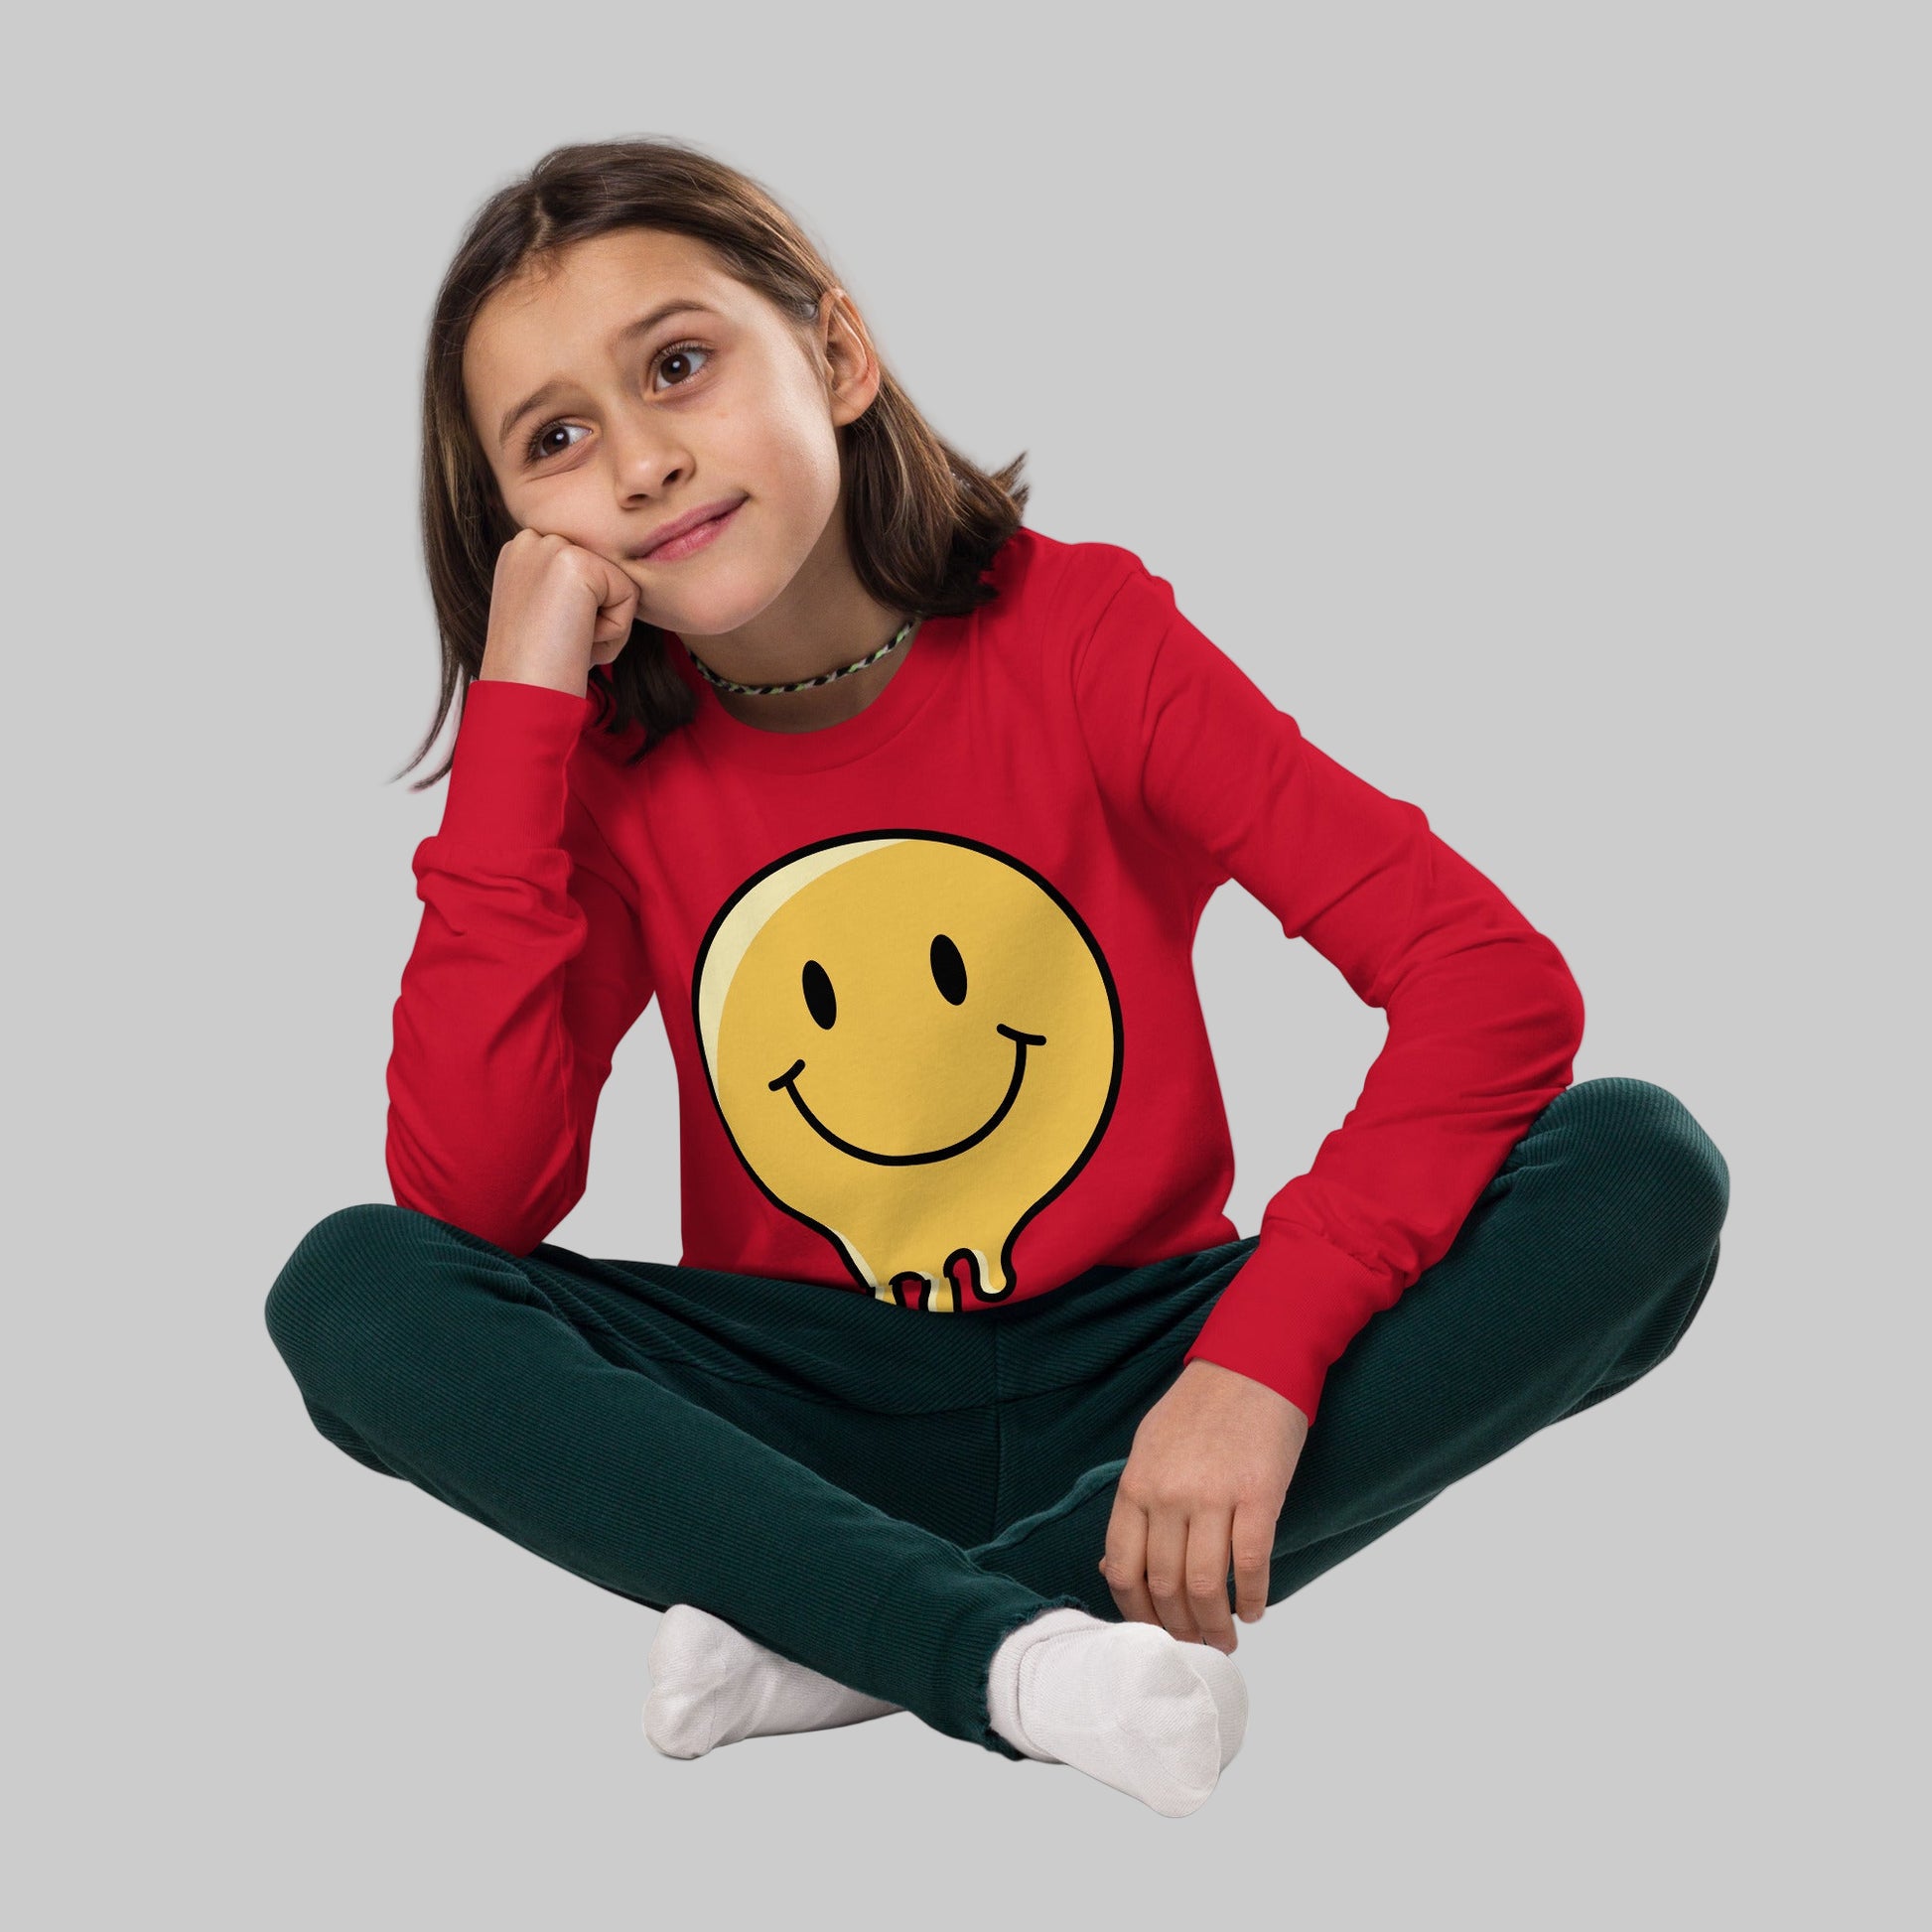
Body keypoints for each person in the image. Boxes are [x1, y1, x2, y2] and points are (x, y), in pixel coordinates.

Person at [263, 136, 1730, 1820]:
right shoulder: (595, 766)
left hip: (1152, 1371)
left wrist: (1255, 1364)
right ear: (521, 521)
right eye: (559, 439)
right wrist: (521, 724)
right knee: (356, 1288)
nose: (646, 462)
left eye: (679, 364)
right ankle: (1015, 1654)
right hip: (795, 1401)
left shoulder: (1084, 639)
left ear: (834, 352)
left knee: (1639, 1175)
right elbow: (473, 1198)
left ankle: (863, 1637)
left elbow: (1486, 983)